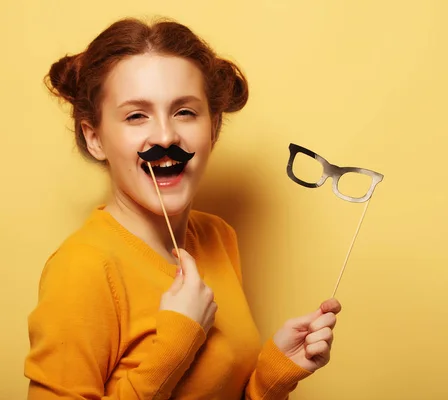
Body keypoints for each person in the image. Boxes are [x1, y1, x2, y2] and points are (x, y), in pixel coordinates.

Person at [24, 16, 342, 399]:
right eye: (136, 115)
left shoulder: (217, 236)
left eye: (185, 112)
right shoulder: (83, 268)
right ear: (95, 139)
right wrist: (176, 344)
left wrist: (274, 373)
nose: (165, 135)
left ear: (214, 128)